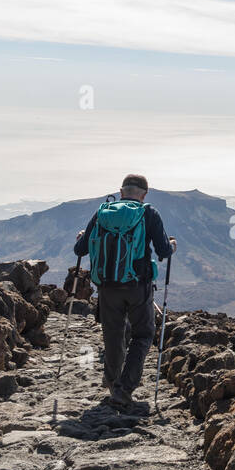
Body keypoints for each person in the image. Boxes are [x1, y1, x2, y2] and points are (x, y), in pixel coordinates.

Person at [74, 174, 175, 410]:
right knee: (142, 335)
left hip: (107, 287)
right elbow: (163, 250)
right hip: (138, 286)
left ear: (121, 191)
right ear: (144, 194)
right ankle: (124, 389)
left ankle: (112, 383)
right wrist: (172, 245)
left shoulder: (102, 212)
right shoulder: (148, 213)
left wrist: (81, 237)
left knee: (113, 335)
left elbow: (80, 249)